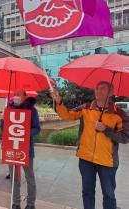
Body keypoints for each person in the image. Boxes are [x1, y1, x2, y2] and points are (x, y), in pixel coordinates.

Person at [50, 81, 129, 209]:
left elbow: (125, 137)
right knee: (87, 192)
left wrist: (106, 129)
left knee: (109, 194)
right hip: (86, 159)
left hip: (107, 161)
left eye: (102, 89)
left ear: (111, 93)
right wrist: (59, 101)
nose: (98, 91)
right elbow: (68, 115)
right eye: (97, 88)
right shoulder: (86, 108)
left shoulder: (119, 113)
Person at [9, 92, 41, 209]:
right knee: (14, 178)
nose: (16, 96)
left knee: (29, 177)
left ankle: (31, 204)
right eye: (15, 93)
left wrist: (24, 132)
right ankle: (15, 203)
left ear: (24, 96)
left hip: (26, 150)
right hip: (11, 148)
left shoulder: (32, 110)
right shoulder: (9, 108)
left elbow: (37, 129)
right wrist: (4, 119)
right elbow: (4, 128)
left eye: (19, 94)